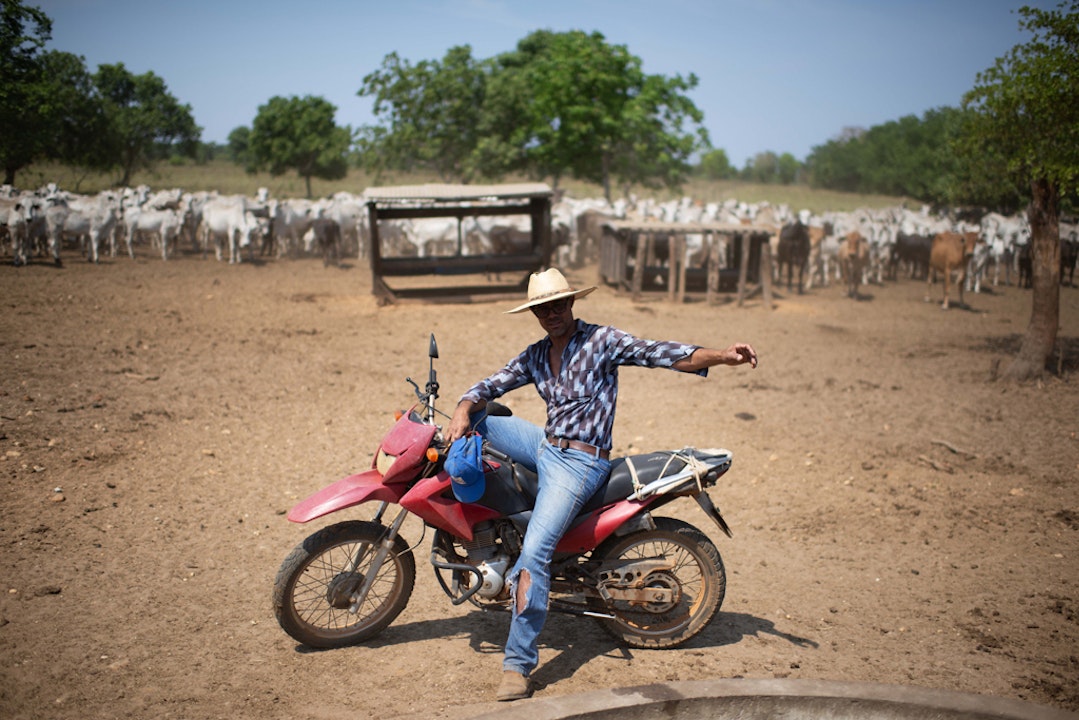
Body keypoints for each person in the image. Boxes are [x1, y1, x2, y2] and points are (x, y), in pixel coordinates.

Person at [446, 268, 757, 702]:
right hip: (544, 444)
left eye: (558, 304)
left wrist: (723, 355)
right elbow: (492, 383)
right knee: (473, 420)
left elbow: (663, 353)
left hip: (579, 464)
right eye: (542, 307)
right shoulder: (537, 354)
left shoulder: (601, 341)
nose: (551, 313)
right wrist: (463, 407)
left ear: (572, 303)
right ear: (534, 312)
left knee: (536, 552)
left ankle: (517, 664)